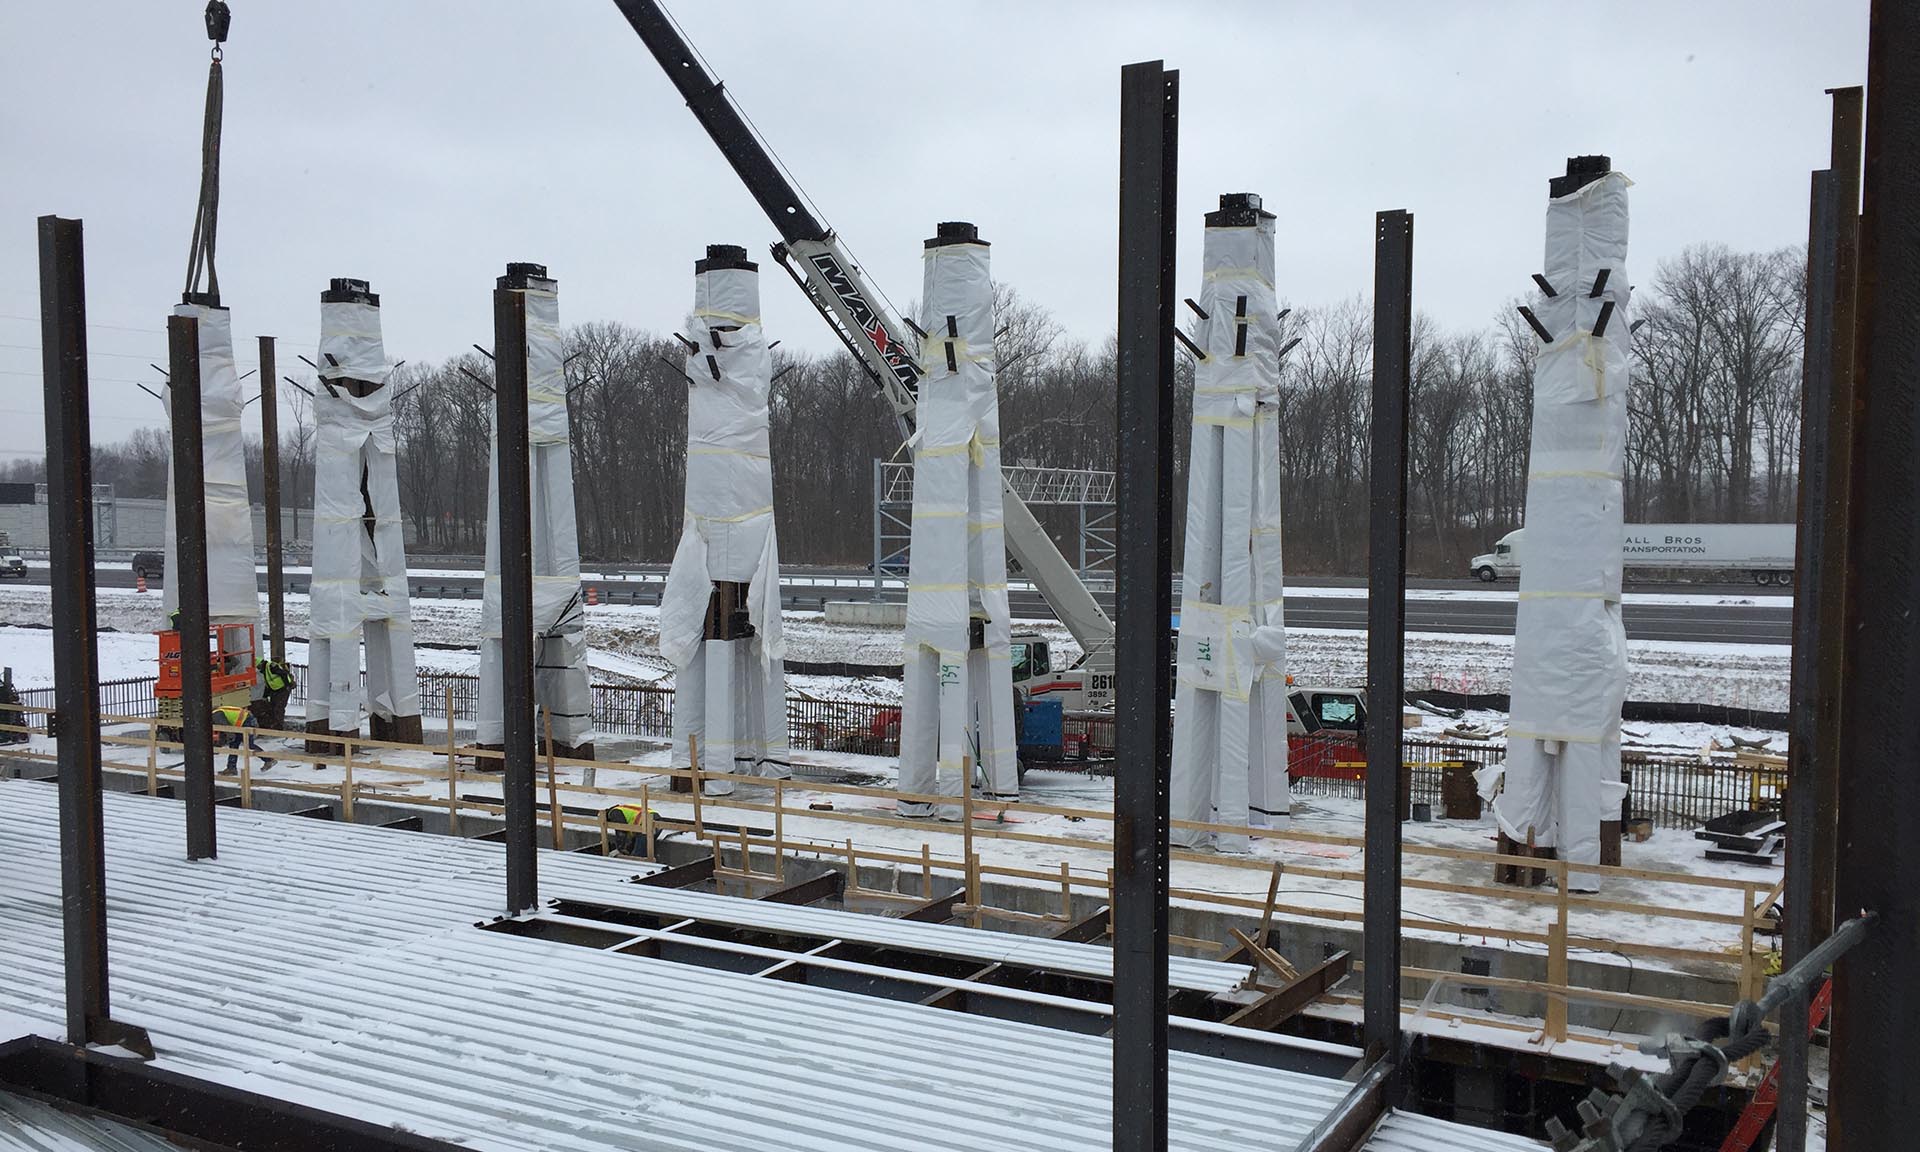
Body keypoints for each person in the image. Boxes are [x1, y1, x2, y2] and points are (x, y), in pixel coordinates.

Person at [213, 703, 274, 775]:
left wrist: (220, 744)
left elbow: (226, 728)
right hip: (243, 723)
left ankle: (269, 760)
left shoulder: (216, 714)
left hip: (246, 722)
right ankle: (231, 768)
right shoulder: (219, 711)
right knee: (233, 745)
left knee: (248, 745)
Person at [253, 654, 296, 728]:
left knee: (279, 708)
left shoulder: (271, 667)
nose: (259, 669)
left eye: (258, 667)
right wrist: (264, 697)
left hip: (283, 689)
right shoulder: (265, 671)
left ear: (261, 664)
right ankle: (274, 724)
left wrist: (287, 686)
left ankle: (279, 726)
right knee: (272, 707)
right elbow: (268, 686)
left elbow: (284, 674)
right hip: (276, 690)